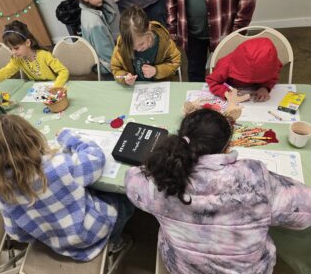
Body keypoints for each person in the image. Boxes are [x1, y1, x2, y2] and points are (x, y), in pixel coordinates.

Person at [125, 108, 311, 274]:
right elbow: (305, 211)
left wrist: (159, 162)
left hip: (183, 267)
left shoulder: (162, 178)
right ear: (227, 146)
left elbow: (131, 181)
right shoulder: (254, 177)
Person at [0, 115, 134, 261]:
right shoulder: (57, 165)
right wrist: (68, 137)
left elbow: (17, 233)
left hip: (57, 243)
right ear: (32, 137)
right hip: (92, 232)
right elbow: (95, 157)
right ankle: (113, 241)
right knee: (124, 198)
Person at [167, 0, 257, 82]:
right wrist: (172, 26)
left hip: (224, 31)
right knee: (195, 73)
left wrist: (238, 29)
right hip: (191, 33)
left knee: (227, 74)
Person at [0, 20, 69, 95]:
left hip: (55, 89)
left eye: (16, 48)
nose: (13, 52)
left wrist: (56, 87)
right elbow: (6, 71)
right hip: (39, 91)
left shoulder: (44, 55)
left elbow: (63, 71)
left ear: (28, 43)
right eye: (10, 49)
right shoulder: (17, 59)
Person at [111, 5, 180, 86]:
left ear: (149, 29)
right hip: (134, 89)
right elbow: (115, 69)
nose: (138, 49)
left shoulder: (164, 41)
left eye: (141, 44)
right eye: (132, 46)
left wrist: (156, 71)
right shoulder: (122, 45)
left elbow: (175, 62)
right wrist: (124, 77)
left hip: (160, 87)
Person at [206, 37, 282, 102]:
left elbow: (273, 77)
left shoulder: (271, 63)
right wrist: (226, 92)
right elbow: (212, 81)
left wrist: (265, 87)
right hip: (231, 89)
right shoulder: (225, 65)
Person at [77, 0, 120, 75]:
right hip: (108, 67)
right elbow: (104, 50)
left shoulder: (85, 10)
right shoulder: (94, 22)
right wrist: (117, 67)